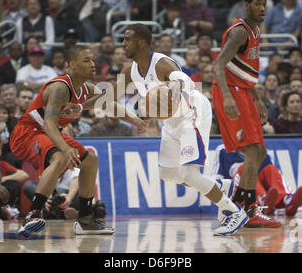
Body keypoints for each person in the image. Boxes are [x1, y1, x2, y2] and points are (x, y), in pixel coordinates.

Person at [64, 24, 250, 236]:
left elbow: (187, 84)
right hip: (171, 120)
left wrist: (172, 88)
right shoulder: (131, 70)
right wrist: (79, 107)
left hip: (192, 113)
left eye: (127, 39)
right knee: (169, 174)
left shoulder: (162, 64)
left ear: (141, 42)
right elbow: (108, 96)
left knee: (188, 173)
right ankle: (217, 186)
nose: (123, 43)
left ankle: (233, 211)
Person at [9, 45, 145, 237]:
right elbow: (48, 124)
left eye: (93, 60)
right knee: (60, 157)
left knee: (90, 162)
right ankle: (34, 215)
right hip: (27, 133)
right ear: (71, 65)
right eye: (86, 60)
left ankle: (85, 220)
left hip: (49, 133)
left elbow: (108, 104)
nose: (92, 64)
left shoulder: (87, 88)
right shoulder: (59, 88)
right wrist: (65, 147)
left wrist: (135, 120)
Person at [212, 0, 281, 227]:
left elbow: (246, 71)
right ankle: (247, 210)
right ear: (247, 6)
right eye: (258, 5)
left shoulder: (256, 30)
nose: (262, 9)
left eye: (264, 5)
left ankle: (239, 203)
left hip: (243, 92)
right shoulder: (240, 32)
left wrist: (257, 98)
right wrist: (227, 97)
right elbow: (218, 65)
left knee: (259, 151)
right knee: (252, 151)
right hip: (230, 92)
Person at [212, 144, 302, 217]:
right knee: (246, 168)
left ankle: (287, 200)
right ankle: (262, 200)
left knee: (270, 169)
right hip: (238, 197)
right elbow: (216, 180)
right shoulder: (223, 150)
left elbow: (273, 185)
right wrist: (225, 201)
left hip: (260, 197)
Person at [0, 135, 28, 220]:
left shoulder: (2, 164)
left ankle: (6, 209)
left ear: (1, 151)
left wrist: (4, 179)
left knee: (14, 185)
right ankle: (3, 212)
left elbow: (24, 175)